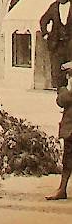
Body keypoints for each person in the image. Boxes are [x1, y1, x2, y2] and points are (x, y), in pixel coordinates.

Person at [46, 61, 72, 200]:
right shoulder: (67, 89)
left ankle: (62, 190)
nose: (68, 77)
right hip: (70, 127)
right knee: (67, 158)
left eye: (70, 74)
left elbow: (63, 99)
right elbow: (61, 101)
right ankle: (62, 189)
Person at [40, 0, 72, 88]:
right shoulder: (53, 7)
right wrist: (45, 35)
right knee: (58, 75)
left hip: (70, 46)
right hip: (56, 46)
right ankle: (61, 96)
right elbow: (43, 20)